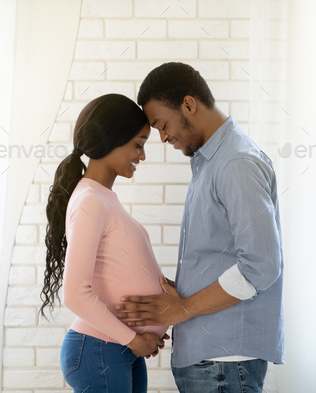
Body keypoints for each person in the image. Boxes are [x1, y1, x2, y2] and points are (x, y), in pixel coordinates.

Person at [114, 62, 285, 392]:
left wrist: (182, 308)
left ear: (188, 105)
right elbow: (225, 258)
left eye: (162, 125)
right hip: (214, 361)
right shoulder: (211, 162)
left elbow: (261, 265)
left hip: (224, 362)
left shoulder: (236, 163)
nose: (163, 138)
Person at [39, 93, 170, 392]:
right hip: (100, 350)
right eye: (138, 144)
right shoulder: (90, 201)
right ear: (112, 138)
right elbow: (75, 294)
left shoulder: (101, 198)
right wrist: (136, 338)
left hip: (115, 349)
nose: (142, 156)